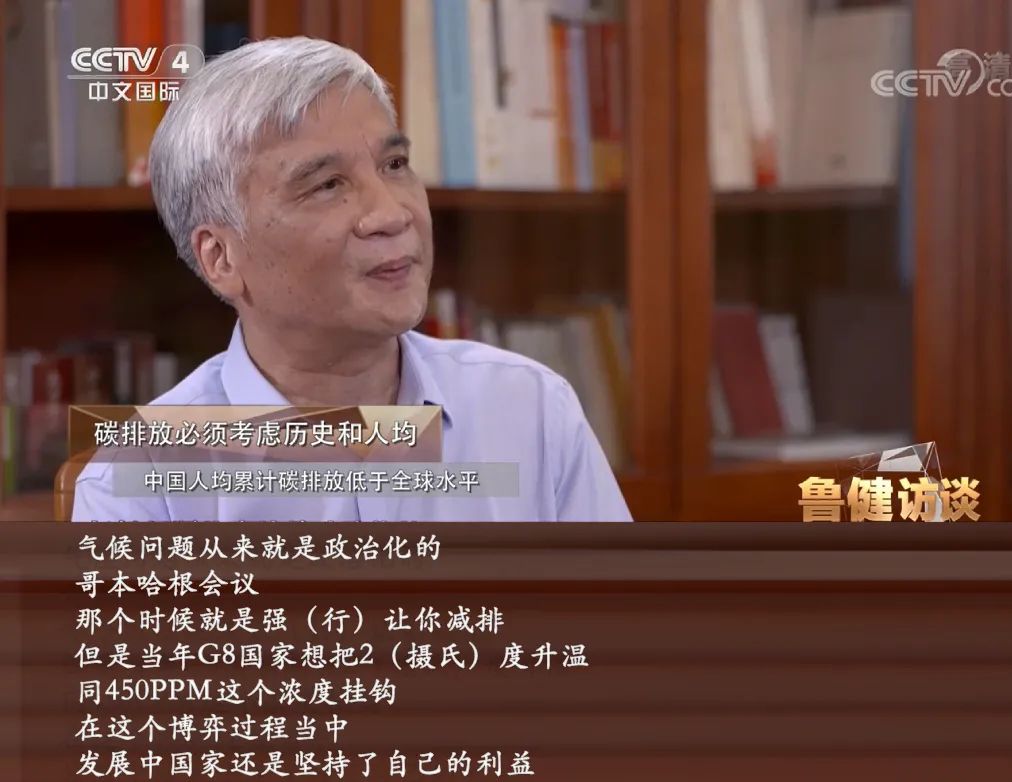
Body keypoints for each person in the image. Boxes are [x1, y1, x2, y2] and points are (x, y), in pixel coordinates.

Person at [71, 37, 631, 522]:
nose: (391, 214)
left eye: (394, 166)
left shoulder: (530, 408)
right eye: (327, 185)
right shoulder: (140, 483)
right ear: (221, 258)